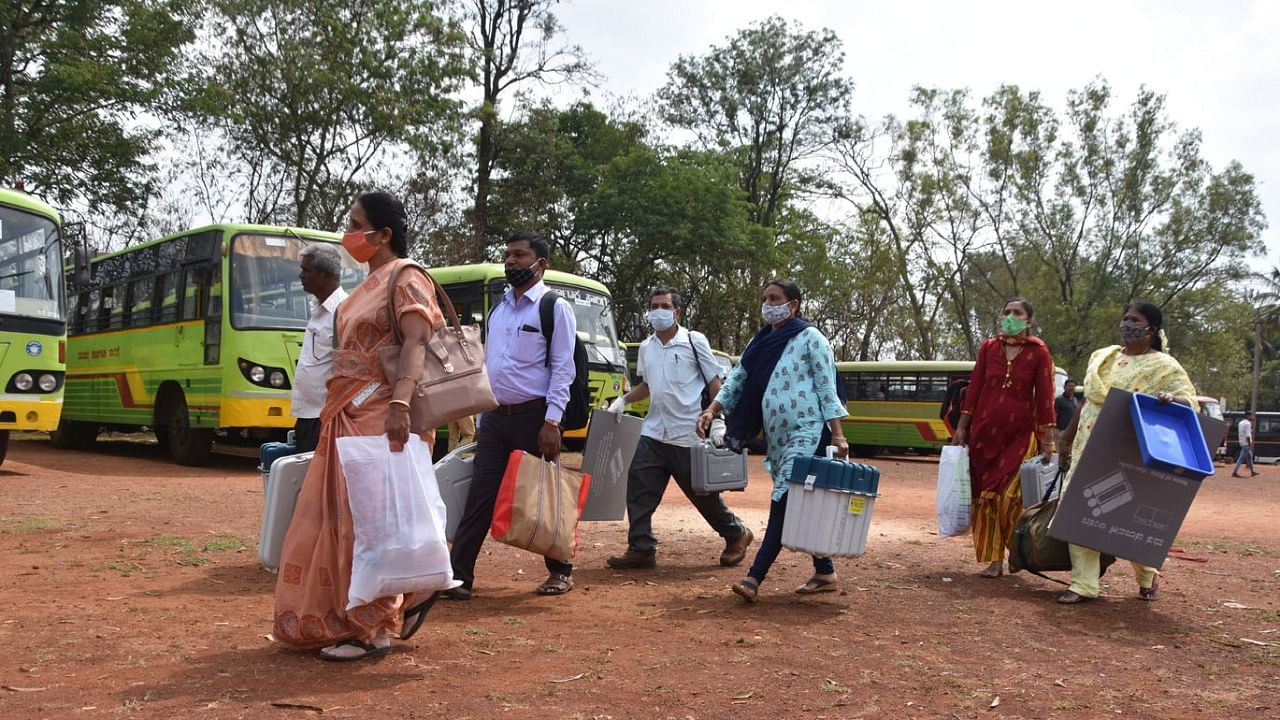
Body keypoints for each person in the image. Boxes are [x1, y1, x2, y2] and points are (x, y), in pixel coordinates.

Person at [272, 191, 445, 660]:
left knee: (370, 522)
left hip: (382, 415)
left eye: (356, 224)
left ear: (383, 234)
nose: (348, 233)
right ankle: (358, 614)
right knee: (337, 520)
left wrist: (402, 405)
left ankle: (372, 628)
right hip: (344, 414)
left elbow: (415, 342)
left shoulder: (407, 277)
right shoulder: (365, 285)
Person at [695, 279, 849, 602]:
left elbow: (827, 388)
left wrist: (838, 433)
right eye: (765, 298)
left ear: (793, 305)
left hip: (809, 433)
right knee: (799, 503)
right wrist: (712, 410)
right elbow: (736, 380)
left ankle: (754, 578)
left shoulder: (811, 338)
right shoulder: (760, 342)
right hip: (777, 440)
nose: (767, 303)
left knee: (783, 501)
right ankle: (825, 571)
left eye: (774, 298)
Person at [446, 231, 579, 599]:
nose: (511, 262)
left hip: (536, 418)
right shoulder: (499, 309)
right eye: (507, 255)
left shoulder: (554, 307)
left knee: (543, 497)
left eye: (519, 255)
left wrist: (552, 420)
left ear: (541, 264)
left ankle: (560, 570)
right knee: (480, 496)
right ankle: (460, 577)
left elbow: (562, 367)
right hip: (495, 418)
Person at [1057, 301, 1198, 604]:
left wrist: (1170, 399)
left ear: (1152, 330)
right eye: (1125, 318)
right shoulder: (1102, 357)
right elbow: (1087, 402)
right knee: (1078, 509)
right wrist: (1066, 440)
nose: (1127, 323)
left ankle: (1147, 577)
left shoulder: (1164, 365)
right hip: (1087, 446)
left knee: (1126, 516)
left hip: (1127, 450)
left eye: (1134, 320)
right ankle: (1083, 584)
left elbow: (1191, 403)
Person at [605, 287, 754, 570]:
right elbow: (647, 386)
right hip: (654, 432)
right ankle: (641, 547)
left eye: (664, 305)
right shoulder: (647, 347)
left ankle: (736, 534)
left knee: (703, 495)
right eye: (653, 305)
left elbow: (714, 383)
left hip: (689, 433)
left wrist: (718, 419)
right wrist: (623, 400)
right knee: (639, 489)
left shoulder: (693, 341)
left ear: (677, 312)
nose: (657, 311)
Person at [952, 298, 1057, 578]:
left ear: (1029, 320)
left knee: (1010, 497)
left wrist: (1048, 440)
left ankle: (1017, 551)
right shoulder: (989, 348)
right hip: (983, 434)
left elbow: (1045, 397)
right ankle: (994, 559)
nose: (1011, 317)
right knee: (985, 498)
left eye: (1017, 313)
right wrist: (962, 426)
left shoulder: (1039, 352)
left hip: (1020, 435)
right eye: (1007, 312)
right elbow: (974, 388)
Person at [290, 243, 347, 453]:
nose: (301, 275)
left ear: (324, 274)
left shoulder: (344, 311)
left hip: (325, 417)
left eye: (306, 270)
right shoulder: (318, 309)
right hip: (307, 415)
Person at [1054, 378, 1080, 449]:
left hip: (1072, 432)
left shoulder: (1075, 400)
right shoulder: (1059, 399)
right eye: (1069, 386)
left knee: (1070, 452)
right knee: (1061, 451)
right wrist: (1055, 429)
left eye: (1073, 386)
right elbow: (1055, 414)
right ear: (1064, 387)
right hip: (1061, 431)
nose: (1071, 388)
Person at [1232, 413, 1258, 477]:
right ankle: (1234, 472)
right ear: (1247, 416)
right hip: (1246, 443)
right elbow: (1248, 435)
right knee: (1241, 459)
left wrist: (1254, 422)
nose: (1251, 417)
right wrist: (1249, 444)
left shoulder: (1241, 423)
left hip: (1242, 442)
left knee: (1249, 457)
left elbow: (1248, 431)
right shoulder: (1248, 423)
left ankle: (1252, 471)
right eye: (1250, 415)